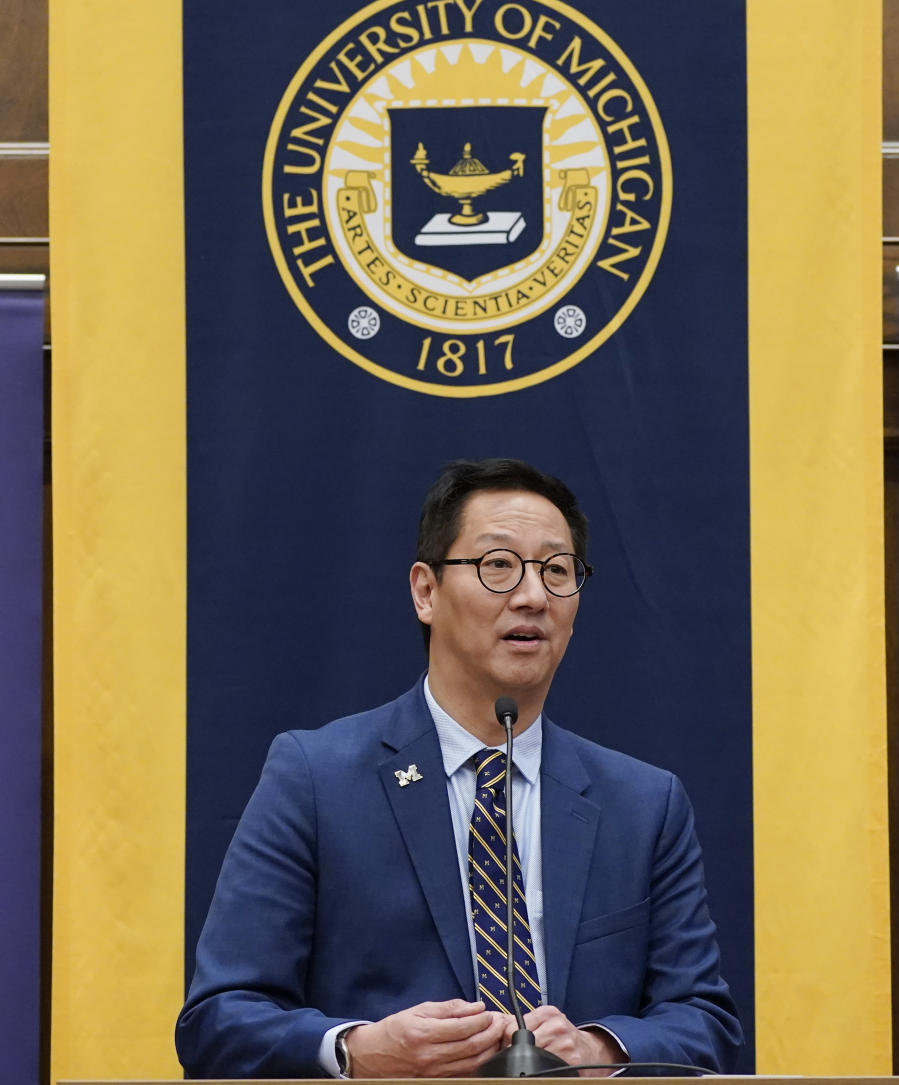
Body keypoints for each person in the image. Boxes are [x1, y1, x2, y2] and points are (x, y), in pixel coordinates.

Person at [176, 458, 742, 1078]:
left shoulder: (643, 804)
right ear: (425, 591)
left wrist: (599, 1049)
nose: (532, 596)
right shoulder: (315, 778)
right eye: (497, 565)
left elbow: (705, 1022)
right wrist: (360, 1051)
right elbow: (218, 1020)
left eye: (557, 570)